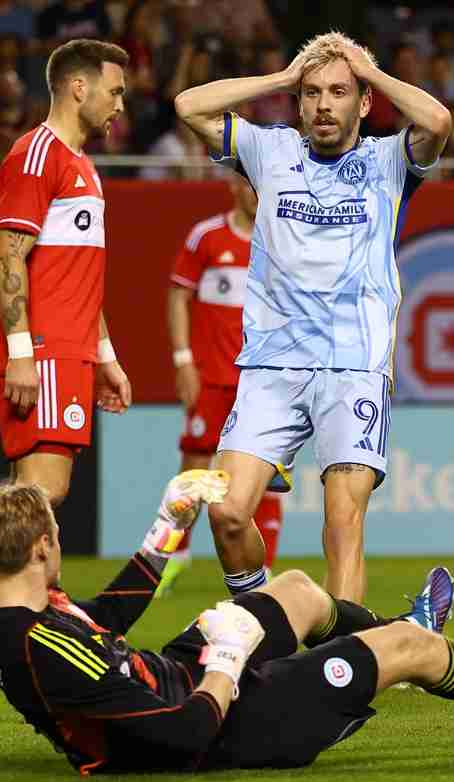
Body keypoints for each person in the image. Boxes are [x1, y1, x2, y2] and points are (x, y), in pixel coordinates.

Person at [0, 477, 454, 774]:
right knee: (409, 650)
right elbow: (185, 733)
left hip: (172, 678)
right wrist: (226, 659)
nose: (60, 546)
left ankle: (403, 629)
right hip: (222, 727)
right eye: (55, 537)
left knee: (299, 592)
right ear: (40, 551)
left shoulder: (12, 615)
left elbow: (101, 623)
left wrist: (167, 529)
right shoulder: (39, 645)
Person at [173, 32, 452, 602]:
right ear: (298, 102)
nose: (324, 104)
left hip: (354, 366)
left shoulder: (389, 161)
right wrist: (280, 77)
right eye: (312, 93)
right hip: (272, 368)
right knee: (225, 512)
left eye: (340, 92)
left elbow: (439, 121)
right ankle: (266, 617)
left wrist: (368, 71)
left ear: (364, 102)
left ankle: (339, 666)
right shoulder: (267, 151)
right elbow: (187, 105)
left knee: (343, 525)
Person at [0, 38, 134, 673]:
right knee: (43, 490)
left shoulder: (84, 166)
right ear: (79, 87)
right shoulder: (36, 156)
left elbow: (82, 275)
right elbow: (9, 255)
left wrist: (106, 354)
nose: (121, 104)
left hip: (70, 350)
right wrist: (20, 351)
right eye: (115, 91)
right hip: (43, 350)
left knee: (33, 491)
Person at [159, 173, 283, 589]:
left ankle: (264, 570)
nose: (257, 194)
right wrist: (183, 360)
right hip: (212, 378)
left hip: (262, 383)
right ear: (234, 187)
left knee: (265, 474)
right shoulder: (206, 237)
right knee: (194, 469)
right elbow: (178, 294)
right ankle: (171, 555)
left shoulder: (283, 240)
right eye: (250, 185)